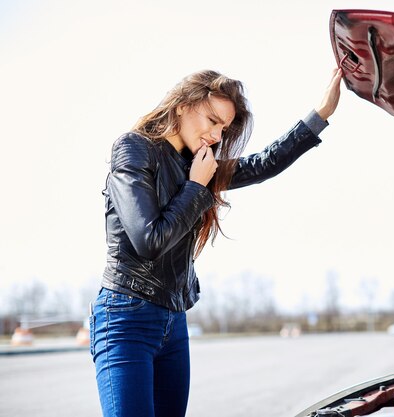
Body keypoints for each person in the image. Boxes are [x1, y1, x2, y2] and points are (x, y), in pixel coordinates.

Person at [90, 68, 342, 417]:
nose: (215, 134)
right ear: (181, 106)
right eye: (211, 120)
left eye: (223, 128)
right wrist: (195, 186)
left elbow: (262, 164)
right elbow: (148, 240)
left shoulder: (197, 165)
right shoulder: (134, 150)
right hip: (127, 319)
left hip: (173, 322)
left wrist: (320, 115)